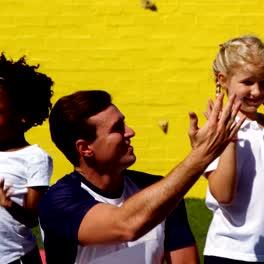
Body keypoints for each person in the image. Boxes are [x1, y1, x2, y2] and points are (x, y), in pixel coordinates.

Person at [38, 89, 244, 264]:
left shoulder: (159, 189)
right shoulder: (58, 202)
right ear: (85, 148)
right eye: (117, 129)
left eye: (124, 123)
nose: (130, 132)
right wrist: (203, 154)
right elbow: (126, 225)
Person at [202, 35, 264, 264]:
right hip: (231, 254)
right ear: (223, 80)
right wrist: (229, 136)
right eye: (248, 82)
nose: (257, 91)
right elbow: (224, 195)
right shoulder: (212, 132)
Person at [0, 53, 54, 264]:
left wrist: (8, 204)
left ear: (24, 116)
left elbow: (33, 218)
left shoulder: (34, 158)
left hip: (17, 258)